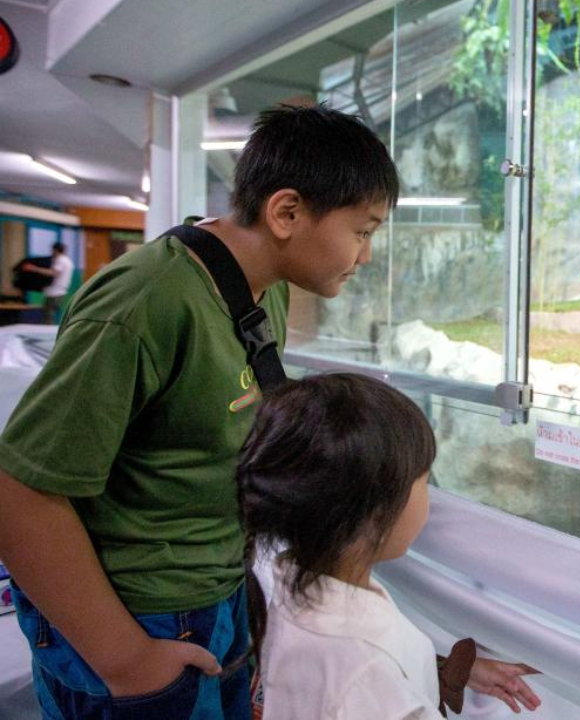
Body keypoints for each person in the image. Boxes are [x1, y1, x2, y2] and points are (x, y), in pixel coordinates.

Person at [0, 104, 399, 718]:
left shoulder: (259, 288)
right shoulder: (145, 303)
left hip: (216, 594)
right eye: (363, 231)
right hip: (141, 616)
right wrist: (125, 658)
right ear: (287, 213)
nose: (365, 255)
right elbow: (20, 494)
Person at [237, 373, 542, 719]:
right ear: (374, 516)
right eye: (423, 482)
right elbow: (364, 682)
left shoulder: (294, 589)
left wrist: (440, 672)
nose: (429, 499)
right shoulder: (365, 679)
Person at [19, 241, 74, 324]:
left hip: (55, 292)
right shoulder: (68, 261)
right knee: (50, 315)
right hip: (59, 291)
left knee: (48, 317)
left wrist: (33, 268)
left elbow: (53, 273)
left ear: (55, 250)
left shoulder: (61, 260)